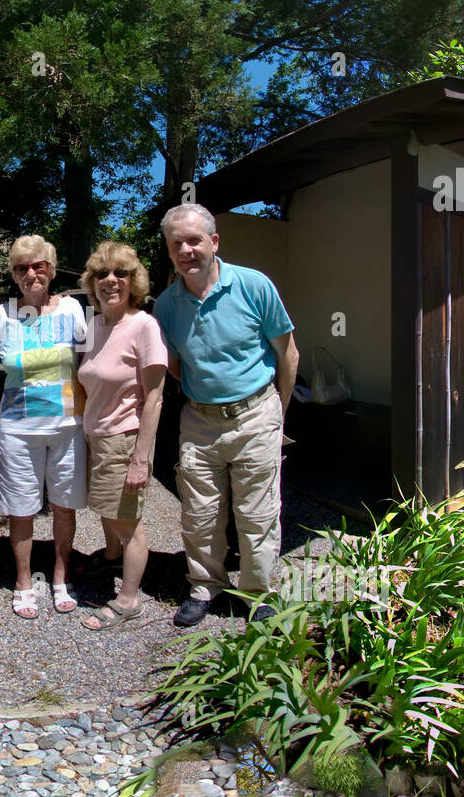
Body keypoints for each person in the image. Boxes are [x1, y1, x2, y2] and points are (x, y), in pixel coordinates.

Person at [151, 201, 298, 628]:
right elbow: (175, 364)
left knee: (257, 513)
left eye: (194, 240)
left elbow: (287, 354)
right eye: (176, 243)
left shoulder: (254, 286)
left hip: (256, 416)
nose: (186, 250)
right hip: (198, 422)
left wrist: (277, 414)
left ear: (214, 242)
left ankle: (258, 592)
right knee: (199, 513)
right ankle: (204, 587)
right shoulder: (167, 305)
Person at [0, 236, 92, 619]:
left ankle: (60, 577)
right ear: (14, 275)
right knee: (21, 508)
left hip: (67, 425)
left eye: (39, 266)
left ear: (51, 268)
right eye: (22, 268)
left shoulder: (72, 309)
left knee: (64, 506)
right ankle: (23, 581)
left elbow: (88, 364)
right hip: (18, 427)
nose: (31, 274)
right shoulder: (0, 315)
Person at [74, 239, 167, 629]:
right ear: (92, 281)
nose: (110, 280)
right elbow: (83, 383)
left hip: (124, 438)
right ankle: (111, 556)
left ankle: (128, 599)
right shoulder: (93, 325)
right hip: (95, 436)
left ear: (134, 281)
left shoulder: (143, 325)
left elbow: (156, 397)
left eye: (121, 273)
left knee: (128, 521)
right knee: (107, 509)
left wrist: (140, 459)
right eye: (101, 273)